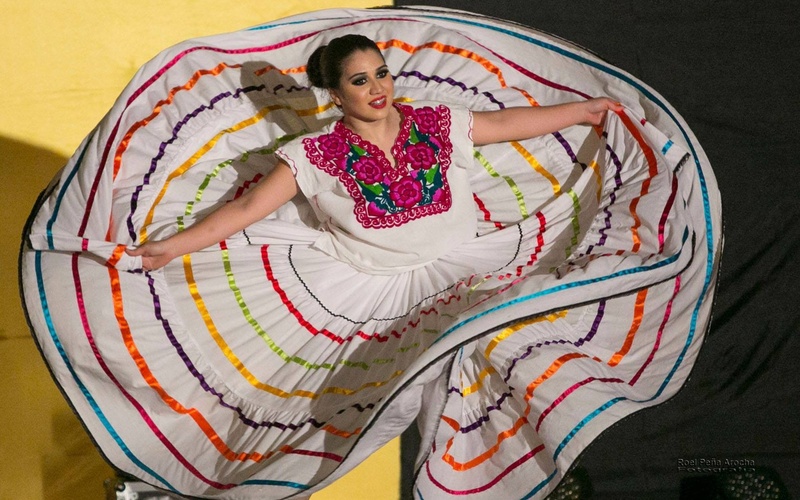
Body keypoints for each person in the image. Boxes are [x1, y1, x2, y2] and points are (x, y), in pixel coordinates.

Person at [126, 34, 622, 272]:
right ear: (336, 95)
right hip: (378, 286)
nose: (377, 87)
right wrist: (173, 248)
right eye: (360, 81)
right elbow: (246, 208)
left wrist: (583, 113)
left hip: (468, 265)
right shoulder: (316, 153)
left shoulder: (432, 120)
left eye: (381, 72)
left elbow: (502, 124)